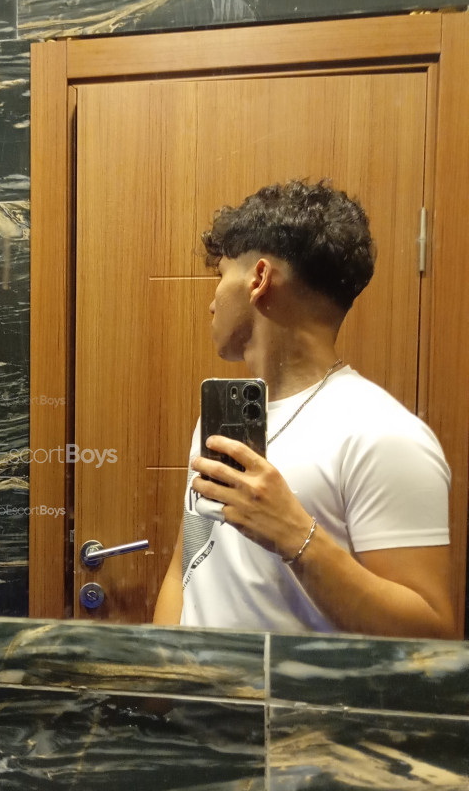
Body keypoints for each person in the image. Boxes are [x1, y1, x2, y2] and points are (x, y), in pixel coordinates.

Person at [153, 179, 454, 638]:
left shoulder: (383, 434)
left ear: (258, 279)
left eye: (221, 277)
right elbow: (187, 565)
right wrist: (161, 668)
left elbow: (430, 633)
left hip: (297, 690)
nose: (212, 303)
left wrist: (294, 535)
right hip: (192, 686)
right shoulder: (224, 420)